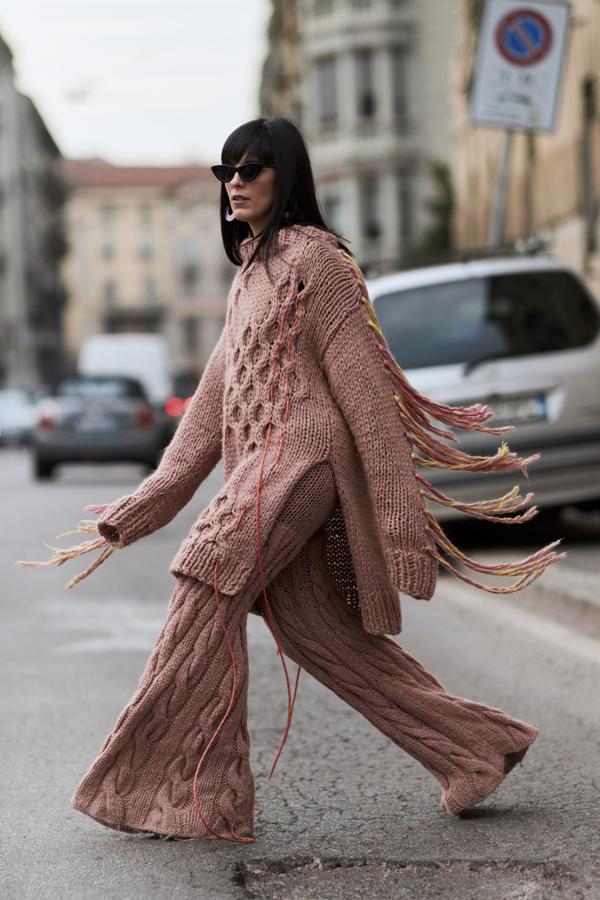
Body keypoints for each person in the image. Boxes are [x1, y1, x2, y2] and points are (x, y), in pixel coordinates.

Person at [18, 116, 566, 844]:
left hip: (302, 463)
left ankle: (191, 793)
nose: (235, 184)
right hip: (260, 470)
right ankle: (474, 750)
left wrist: (403, 529)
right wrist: (147, 501)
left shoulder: (321, 265)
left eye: (250, 169)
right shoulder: (251, 274)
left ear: (287, 176)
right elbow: (213, 403)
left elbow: (369, 404)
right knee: (319, 636)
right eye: (226, 172)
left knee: (204, 580)